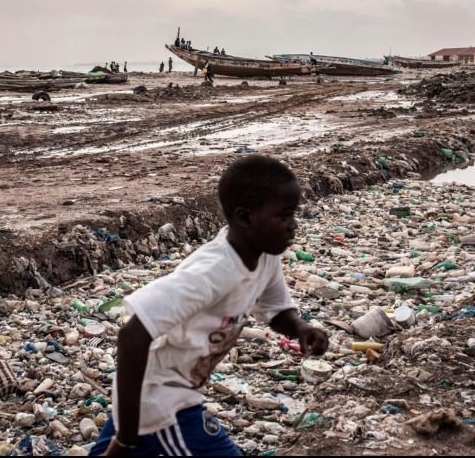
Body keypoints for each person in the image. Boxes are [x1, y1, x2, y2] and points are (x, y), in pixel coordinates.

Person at [90, 155, 329, 456]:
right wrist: (126, 438)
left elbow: (276, 309)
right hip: (165, 403)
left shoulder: (265, 256)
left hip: (161, 395)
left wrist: (301, 328)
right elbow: (132, 336)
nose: (293, 226)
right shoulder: (213, 271)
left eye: (293, 215)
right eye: (283, 216)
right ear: (245, 218)